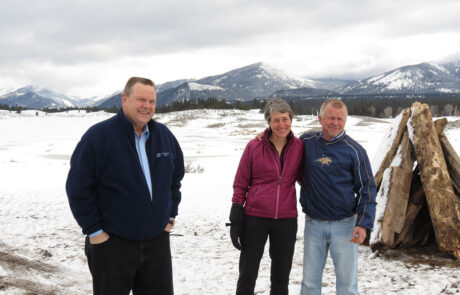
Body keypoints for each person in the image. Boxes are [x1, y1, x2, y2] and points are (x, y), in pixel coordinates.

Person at [66, 77, 184, 295]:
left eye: (152, 101)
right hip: (112, 245)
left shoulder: (164, 136)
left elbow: (175, 179)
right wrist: (95, 231)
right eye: (141, 100)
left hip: (156, 243)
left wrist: (170, 216)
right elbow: (78, 188)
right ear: (124, 99)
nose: (147, 106)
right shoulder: (99, 137)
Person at [299, 98, 376, 295]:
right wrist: (263, 136)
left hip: (345, 225)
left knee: (347, 286)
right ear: (320, 119)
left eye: (340, 119)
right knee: (309, 283)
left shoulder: (355, 151)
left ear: (345, 121)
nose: (335, 123)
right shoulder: (306, 142)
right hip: (314, 224)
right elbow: (282, 145)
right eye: (330, 118)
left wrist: (363, 223)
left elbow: (367, 188)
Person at [229, 98, 304, 295]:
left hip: (286, 219)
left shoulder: (299, 147)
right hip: (255, 217)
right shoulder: (254, 147)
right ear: (269, 122)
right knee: (248, 273)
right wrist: (236, 215)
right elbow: (240, 182)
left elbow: (306, 178)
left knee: (281, 276)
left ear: (291, 120)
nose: (282, 124)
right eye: (276, 120)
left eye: (285, 119)